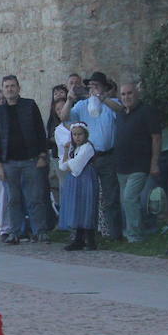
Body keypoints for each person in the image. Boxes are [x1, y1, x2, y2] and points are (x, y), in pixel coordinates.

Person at [0, 75, 50, 243]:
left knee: (35, 198)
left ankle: (40, 231)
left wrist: (42, 155)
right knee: (13, 200)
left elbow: (40, 131)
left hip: (31, 159)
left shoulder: (30, 105)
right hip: (9, 162)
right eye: (7, 86)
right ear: (3, 90)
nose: (10, 89)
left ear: (18, 88)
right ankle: (15, 232)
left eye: (12, 86)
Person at [67, 71, 122, 240]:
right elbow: (64, 117)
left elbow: (121, 111)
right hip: (88, 158)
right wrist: (69, 99)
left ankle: (114, 234)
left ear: (104, 88)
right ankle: (85, 235)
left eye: (96, 86)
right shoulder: (82, 105)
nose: (93, 89)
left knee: (110, 196)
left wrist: (102, 98)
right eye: (91, 87)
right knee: (85, 196)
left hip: (107, 156)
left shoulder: (112, 103)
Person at [112, 81, 161, 244]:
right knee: (125, 201)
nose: (126, 97)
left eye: (130, 93)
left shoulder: (147, 111)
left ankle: (136, 235)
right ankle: (131, 231)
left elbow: (156, 137)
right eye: (123, 94)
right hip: (122, 165)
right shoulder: (121, 113)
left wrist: (154, 162)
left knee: (130, 198)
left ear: (137, 93)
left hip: (139, 164)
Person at [58, 123, 100, 250]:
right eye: (74, 134)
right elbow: (62, 166)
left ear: (85, 135)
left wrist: (69, 163)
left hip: (86, 178)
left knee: (86, 205)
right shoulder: (74, 149)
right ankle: (79, 239)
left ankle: (90, 239)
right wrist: (66, 151)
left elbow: (76, 167)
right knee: (77, 206)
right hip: (75, 180)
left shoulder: (87, 147)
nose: (77, 137)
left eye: (80, 134)